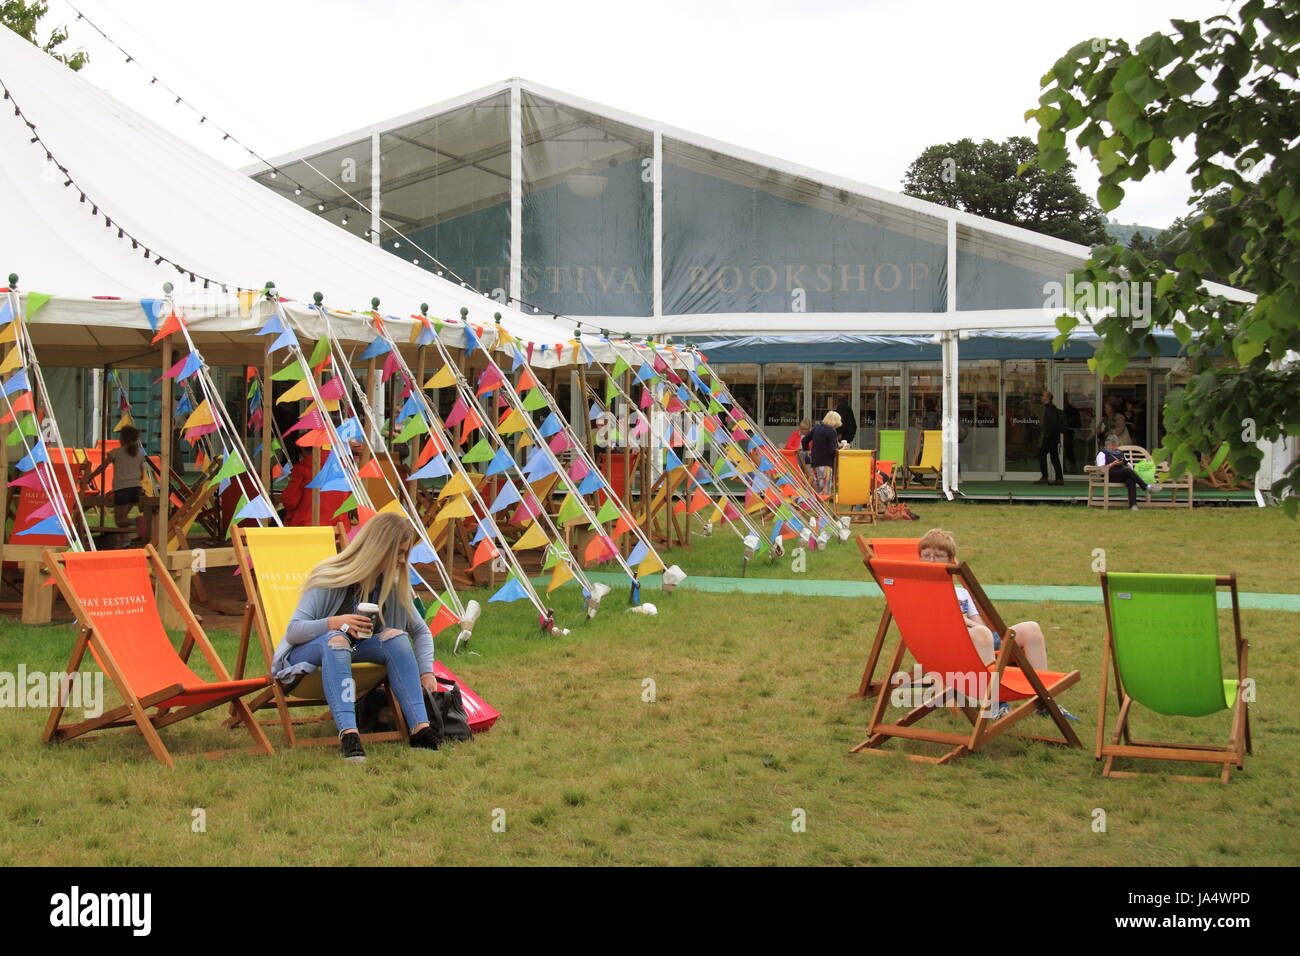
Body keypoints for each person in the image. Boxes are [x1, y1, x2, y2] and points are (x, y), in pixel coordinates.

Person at [271, 512, 439, 761]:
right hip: (307, 655)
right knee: (338, 641)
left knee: (396, 637)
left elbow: (421, 631)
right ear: (380, 549)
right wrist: (335, 623)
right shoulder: (330, 576)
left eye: (406, 553)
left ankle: (421, 730)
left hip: (356, 651)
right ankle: (349, 735)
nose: (403, 561)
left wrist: (427, 672)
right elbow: (294, 631)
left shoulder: (389, 584)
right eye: (399, 553)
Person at [917, 528, 1077, 720]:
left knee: (1031, 628)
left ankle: (1044, 700)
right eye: (927, 555)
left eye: (938, 556)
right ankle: (995, 704)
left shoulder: (962, 593)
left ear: (951, 560)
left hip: (980, 639)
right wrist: (963, 622)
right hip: (953, 646)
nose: (932, 560)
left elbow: (980, 624)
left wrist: (969, 622)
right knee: (982, 634)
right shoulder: (918, 591)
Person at [82, 425, 152, 542]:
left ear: (123, 439)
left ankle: (138, 521)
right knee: (122, 519)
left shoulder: (116, 452)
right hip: (136, 489)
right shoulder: (139, 454)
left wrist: (91, 477)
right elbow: (141, 474)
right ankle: (125, 541)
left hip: (122, 489)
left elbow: (103, 467)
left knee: (119, 521)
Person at [1095, 434, 1159, 510]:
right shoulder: (1102, 454)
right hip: (1109, 475)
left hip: (1121, 474)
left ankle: (1133, 505)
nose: (1115, 448)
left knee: (1130, 480)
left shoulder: (1120, 453)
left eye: (1116, 446)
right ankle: (1145, 486)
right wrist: (1113, 464)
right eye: (1112, 446)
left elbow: (1130, 466)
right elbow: (1101, 469)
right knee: (1127, 471)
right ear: (1108, 445)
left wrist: (1126, 463)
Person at [802, 411, 841, 494]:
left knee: (819, 488)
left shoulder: (817, 428)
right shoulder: (831, 431)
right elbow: (831, 451)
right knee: (825, 490)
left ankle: (820, 505)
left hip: (815, 462)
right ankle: (824, 506)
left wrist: (807, 450)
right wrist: (839, 451)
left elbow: (804, 440)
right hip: (825, 463)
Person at [1035, 389, 1066, 485]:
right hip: (1053, 436)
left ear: (1048, 398)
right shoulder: (1050, 408)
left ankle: (1046, 477)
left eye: (1043, 396)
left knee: (1043, 455)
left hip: (1050, 437)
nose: (1041, 397)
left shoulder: (1049, 409)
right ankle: (1058, 478)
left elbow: (1050, 424)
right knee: (1053, 457)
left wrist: (1046, 434)